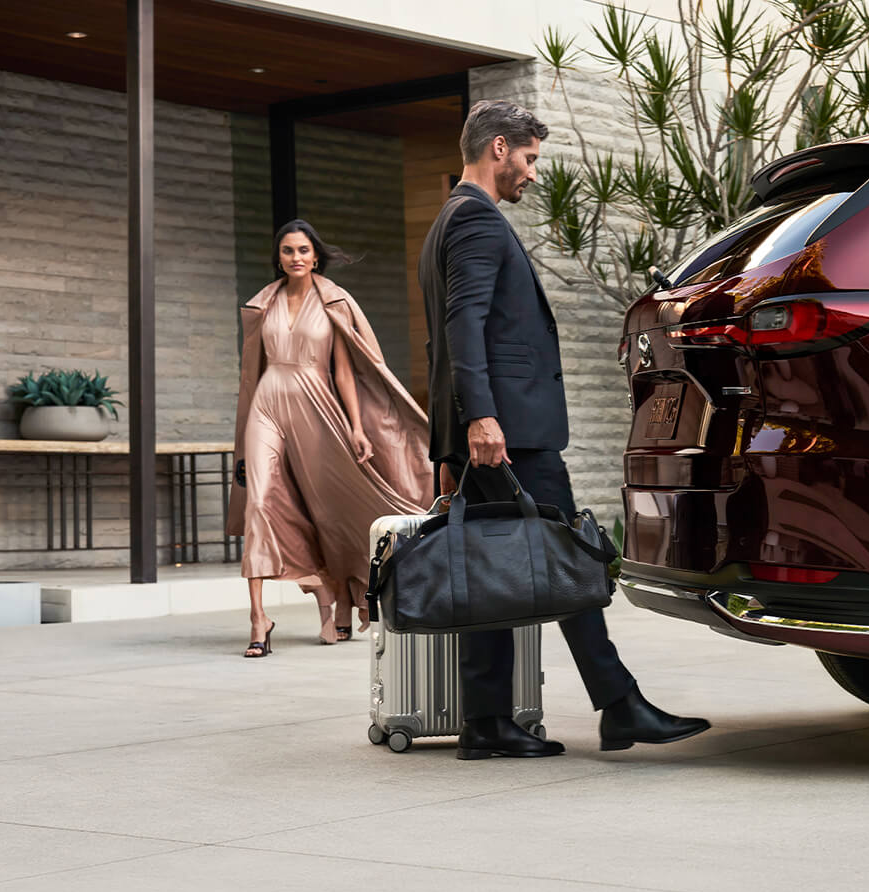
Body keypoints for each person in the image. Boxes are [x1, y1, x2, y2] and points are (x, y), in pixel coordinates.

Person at [419, 99, 711, 758]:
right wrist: (483, 418)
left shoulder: (446, 222)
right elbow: (461, 327)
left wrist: (451, 437)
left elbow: (448, 342)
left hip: (483, 434)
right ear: (498, 148)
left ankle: (489, 722)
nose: (529, 173)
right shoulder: (477, 223)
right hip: (507, 433)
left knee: (495, 574)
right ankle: (619, 704)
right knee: (569, 560)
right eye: (527, 159)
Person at [227, 220, 432, 658]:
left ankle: (337, 593)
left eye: (303, 250)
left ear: (315, 255)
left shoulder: (334, 300)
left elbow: (345, 369)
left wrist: (357, 427)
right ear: (278, 257)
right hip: (267, 404)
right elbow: (254, 370)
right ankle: (258, 619)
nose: (295, 257)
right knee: (260, 503)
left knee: (328, 509)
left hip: (317, 405)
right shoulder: (264, 303)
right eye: (287, 251)